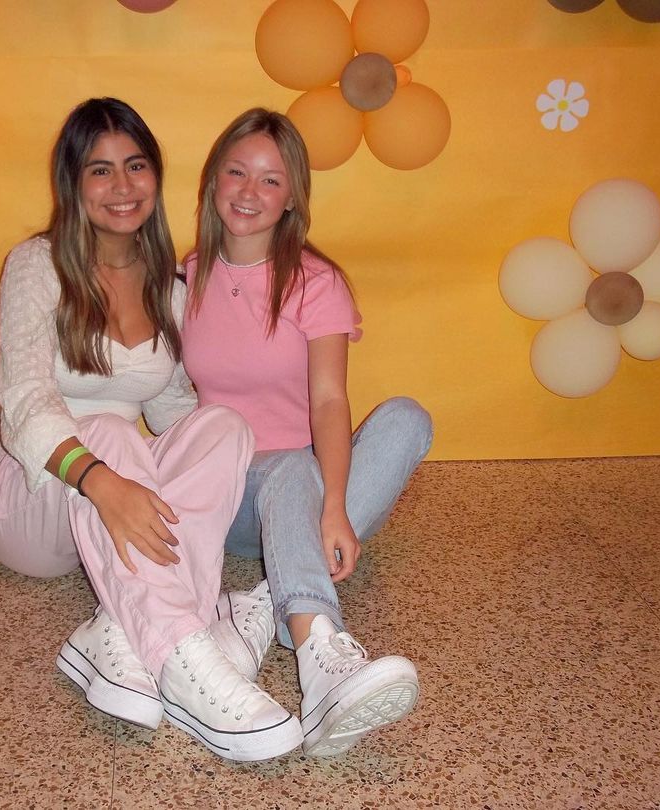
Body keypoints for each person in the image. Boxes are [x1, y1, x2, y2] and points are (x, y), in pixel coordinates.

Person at [0, 98, 302, 762]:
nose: (122, 186)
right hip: (29, 499)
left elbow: (175, 409)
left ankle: (120, 629)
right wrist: (103, 482)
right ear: (72, 182)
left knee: (222, 426)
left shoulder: (168, 289)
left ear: (155, 175)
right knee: (110, 432)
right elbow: (24, 399)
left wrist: (251, 470)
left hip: (112, 502)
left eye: (136, 166)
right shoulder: (37, 265)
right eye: (100, 170)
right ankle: (189, 657)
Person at [181, 108, 434, 758]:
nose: (249, 191)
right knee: (291, 466)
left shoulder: (316, 283)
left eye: (271, 180)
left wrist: (334, 507)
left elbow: (328, 403)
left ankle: (275, 593)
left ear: (292, 197)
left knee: (407, 418)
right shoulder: (188, 276)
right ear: (212, 181)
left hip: (304, 487)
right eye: (236, 172)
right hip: (233, 497)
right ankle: (319, 654)